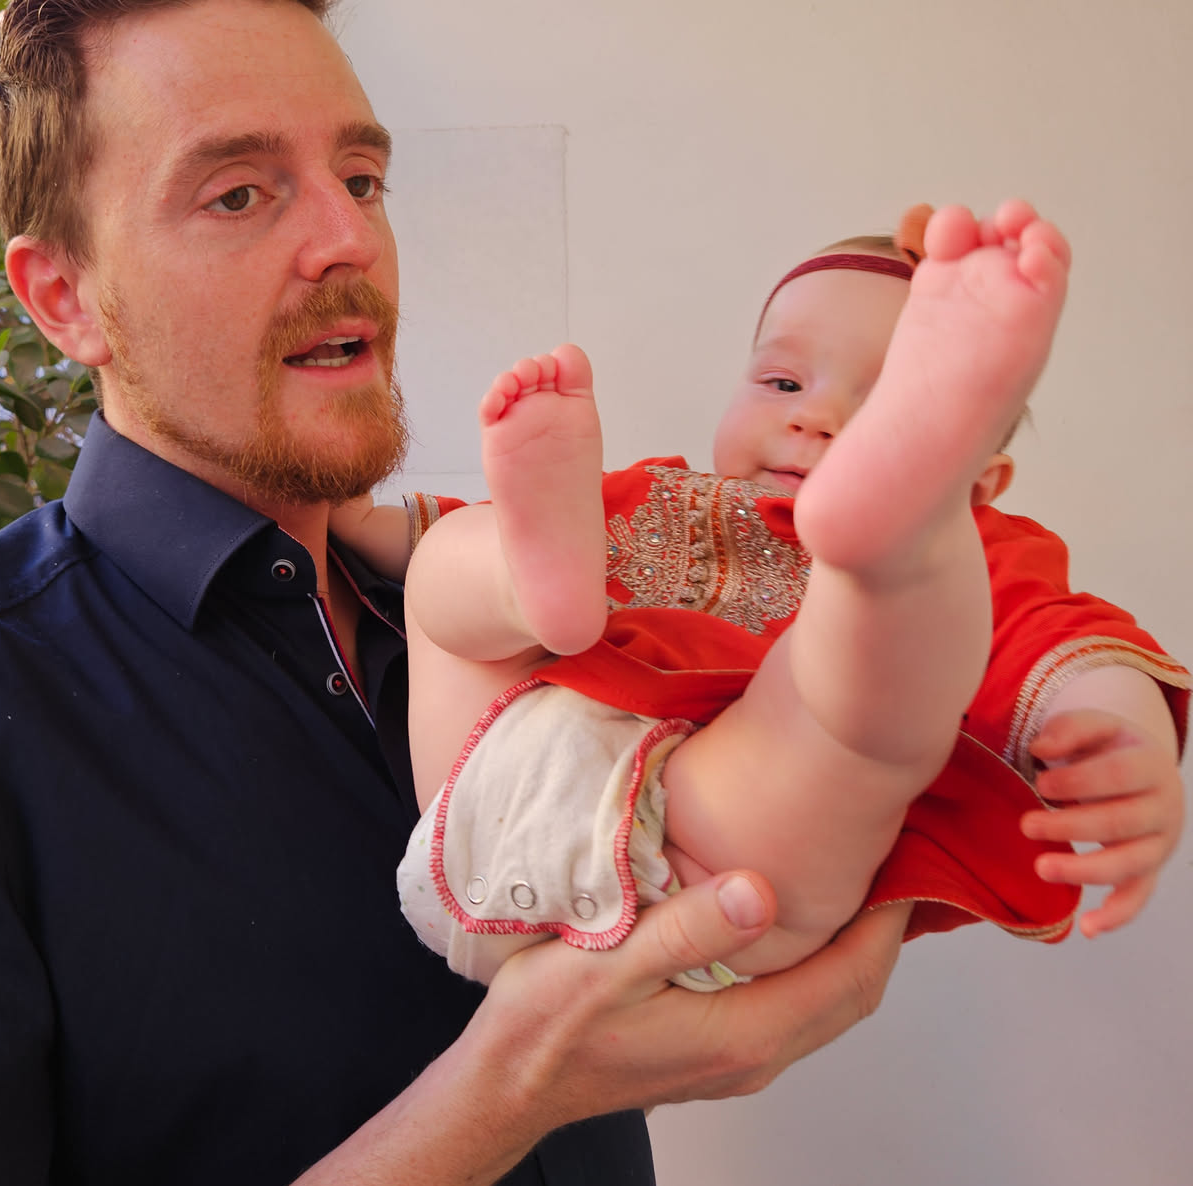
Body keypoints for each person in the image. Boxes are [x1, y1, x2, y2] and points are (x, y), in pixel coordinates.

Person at [0, 0, 908, 1186]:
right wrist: (506, 1092)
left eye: (360, 178)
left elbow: (815, 748)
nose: (344, 240)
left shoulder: (494, 606)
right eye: (240, 194)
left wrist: (1063, 740)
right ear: (64, 299)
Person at [335, 218, 1186, 987]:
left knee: (852, 704)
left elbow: (1059, 638)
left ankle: (889, 535)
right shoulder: (656, 493)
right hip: (486, 800)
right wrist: (353, 518)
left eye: (885, 406)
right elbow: (415, 546)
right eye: (783, 383)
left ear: (980, 486)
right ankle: (532, 588)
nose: (815, 418)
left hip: (718, 856)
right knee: (452, 561)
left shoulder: (974, 549)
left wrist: (1121, 734)